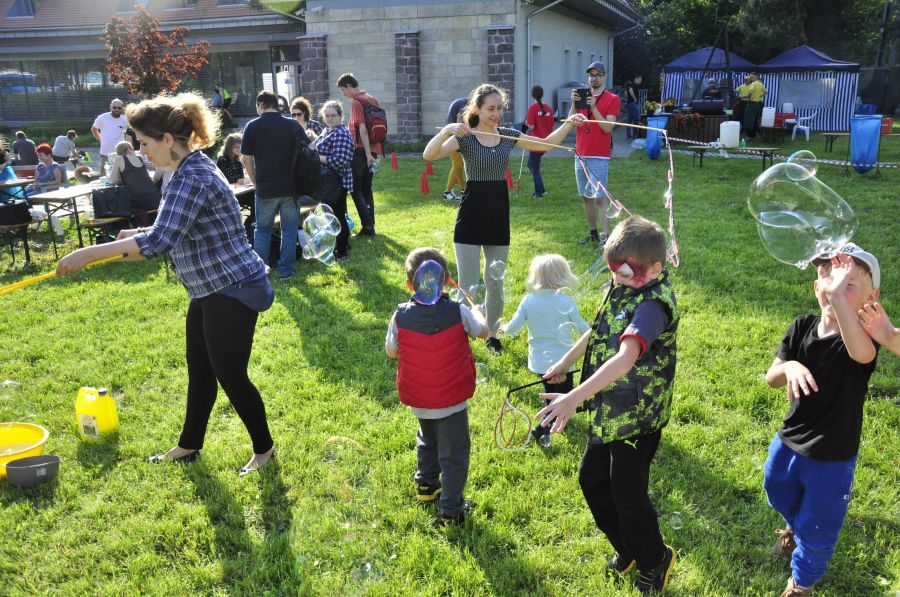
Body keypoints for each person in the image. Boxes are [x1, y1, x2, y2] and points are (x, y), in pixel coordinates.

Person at [56, 92, 276, 476]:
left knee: (230, 375)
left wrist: (88, 254)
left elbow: (158, 242)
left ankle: (265, 450)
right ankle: (189, 446)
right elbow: (170, 226)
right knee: (201, 370)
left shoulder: (193, 177)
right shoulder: (186, 170)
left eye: (144, 143)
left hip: (232, 289)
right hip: (207, 288)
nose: (142, 152)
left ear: (168, 139)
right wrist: (131, 233)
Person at [537, 216, 679, 594]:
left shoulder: (653, 306)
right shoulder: (625, 285)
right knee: (592, 480)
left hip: (638, 417)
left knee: (628, 496)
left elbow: (626, 357)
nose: (616, 277)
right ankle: (628, 548)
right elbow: (598, 328)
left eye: (625, 272)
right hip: (611, 409)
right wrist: (565, 361)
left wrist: (573, 397)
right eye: (613, 270)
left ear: (655, 269)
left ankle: (655, 558)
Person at [424, 83, 584, 355]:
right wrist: (448, 130)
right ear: (477, 109)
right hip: (470, 215)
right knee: (468, 284)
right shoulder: (465, 137)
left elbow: (545, 144)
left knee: (495, 282)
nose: (496, 114)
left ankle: (492, 334)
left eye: (500, 108)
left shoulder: (508, 136)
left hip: (498, 214)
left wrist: (569, 123)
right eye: (491, 109)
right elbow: (429, 155)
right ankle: (462, 333)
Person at [763, 244, 881, 597]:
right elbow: (771, 378)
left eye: (848, 284)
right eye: (827, 278)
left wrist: (839, 299)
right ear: (816, 287)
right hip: (789, 439)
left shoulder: (862, 340)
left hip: (832, 456)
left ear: (871, 297)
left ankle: (801, 584)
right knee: (775, 488)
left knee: (820, 525)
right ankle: (794, 527)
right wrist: (789, 366)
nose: (834, 287)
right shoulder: (802, 326)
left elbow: (862, 354)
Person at [385, 247, 489, 524]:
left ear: (409, 284)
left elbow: (391, 352)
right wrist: (478, 313)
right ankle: (452, 510)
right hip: (452, 399)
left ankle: (427, 485)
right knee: (454, 455)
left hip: (419, 397)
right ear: (447, 281)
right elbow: (484, 332)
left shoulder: (399, 315)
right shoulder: (459, 311)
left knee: (427, 439)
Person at [498, 254, 589, 445]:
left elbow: (514, 326)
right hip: (564, 359)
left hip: (540, 360)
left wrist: (504, 328)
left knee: (550, 390)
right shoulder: (566, 301)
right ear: (563, 276)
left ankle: (552, 418)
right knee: (563, 394)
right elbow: (582, 329)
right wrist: (593, 328)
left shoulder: (529, 300)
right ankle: (546, 426)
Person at [241, 91, 302, 279]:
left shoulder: (252, 126)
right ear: (277, 105)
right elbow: (307, 150)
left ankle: (261, 273)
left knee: (262, 230)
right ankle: (286, 271)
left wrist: (255, 182)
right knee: (289, 230)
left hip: (265, 188)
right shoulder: (292, 124)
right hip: (291, 188)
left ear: (260, 104)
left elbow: (246, 159)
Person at [570, 61, 620, 247]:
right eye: (591, 75)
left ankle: (606, 239)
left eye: (598, 75)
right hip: (580, 153)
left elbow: (608, 128)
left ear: (604, 76)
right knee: (586, 196)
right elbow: (571, 122)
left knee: (600, 198)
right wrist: (574, 105)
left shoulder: (612, 98)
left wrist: (593, 108)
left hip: (599, 155)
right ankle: (593, 235)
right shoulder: (582, 97)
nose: (594, 78)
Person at [311, 100, 354, 261]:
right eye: (327, 115)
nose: (330, 118)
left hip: (337, 181)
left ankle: (341, 251)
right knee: (336, 214)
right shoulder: (327, 130)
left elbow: (340, 160)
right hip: (327, 181)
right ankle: (344, 245)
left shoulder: (341, 133)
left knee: (336, 216)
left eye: (333, 115)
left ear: (340, 116)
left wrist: (317, 157)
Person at [337, 73, 379, 236]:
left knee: (356, 189)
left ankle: (367, 227)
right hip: (374, 148)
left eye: (342, 90)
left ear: (348, 86)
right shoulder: (371, 98)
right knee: (367, 188)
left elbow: (362, 129)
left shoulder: (357, 102)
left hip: (361, 150)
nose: (343, 94)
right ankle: (370, 224)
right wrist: (371, 153)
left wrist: (367, 154)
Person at [108, 140, 161, 212]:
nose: (134, 151)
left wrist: (124, 179)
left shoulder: (119, 159)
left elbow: (113, 180)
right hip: (156, 198)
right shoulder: (139, 158)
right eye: (133, 149)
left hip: (139, 202)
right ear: (129, 149)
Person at [525, 85, 555, 198]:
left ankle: (539, 193)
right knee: (531, 165)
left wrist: (527, 123)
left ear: (533, 95)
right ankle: (542, 189)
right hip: (545, 141)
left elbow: (531, 127)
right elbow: (551, 125)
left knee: (534, 168)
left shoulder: (533, 108)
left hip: (536, 142)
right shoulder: (549, 109)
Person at [92, 99, 129, 175]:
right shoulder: (102, 117)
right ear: (110, 107)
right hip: (105, 153)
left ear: (122, 109)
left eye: (119, 108)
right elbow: (94, 129)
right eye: (114, 107)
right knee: (104, 176)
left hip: (120, 154)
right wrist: (101, 140)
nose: (116, 109)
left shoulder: (125, 119)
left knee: (121, 175)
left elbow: (127, 133)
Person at [443, 97, 468, 201]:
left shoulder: (460, 101)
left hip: (451, 134)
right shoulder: (464, 104)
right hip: (453, 136)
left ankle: (464, 190)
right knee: (457, 164)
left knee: (460, 164)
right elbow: (460, 119)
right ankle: (447, 192)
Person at [743, 72, 767, 139]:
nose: (750, 79)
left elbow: (750, 92)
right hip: (758, 104)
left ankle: (749, 136)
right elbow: (766, 92)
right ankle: (753, 135)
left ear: (755, 77)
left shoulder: (753, 84)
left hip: (752, 104)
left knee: (749, 120)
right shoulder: (761, 84)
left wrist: (747, 96)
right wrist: (760, 96)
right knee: (755, 120)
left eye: (751, 77)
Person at [625, 75, 642, 139]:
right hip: (633, 104)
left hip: (629, 103)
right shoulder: (633, 85)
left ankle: (628, 135)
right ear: (636, 79)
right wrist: (635, 99)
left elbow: (626, 93)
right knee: (636, 119)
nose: (641, 81)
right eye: (640, 80)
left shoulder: (630, 84)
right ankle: (635, 135)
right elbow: (630, 91)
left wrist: (628, 99)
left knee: (629, 120)